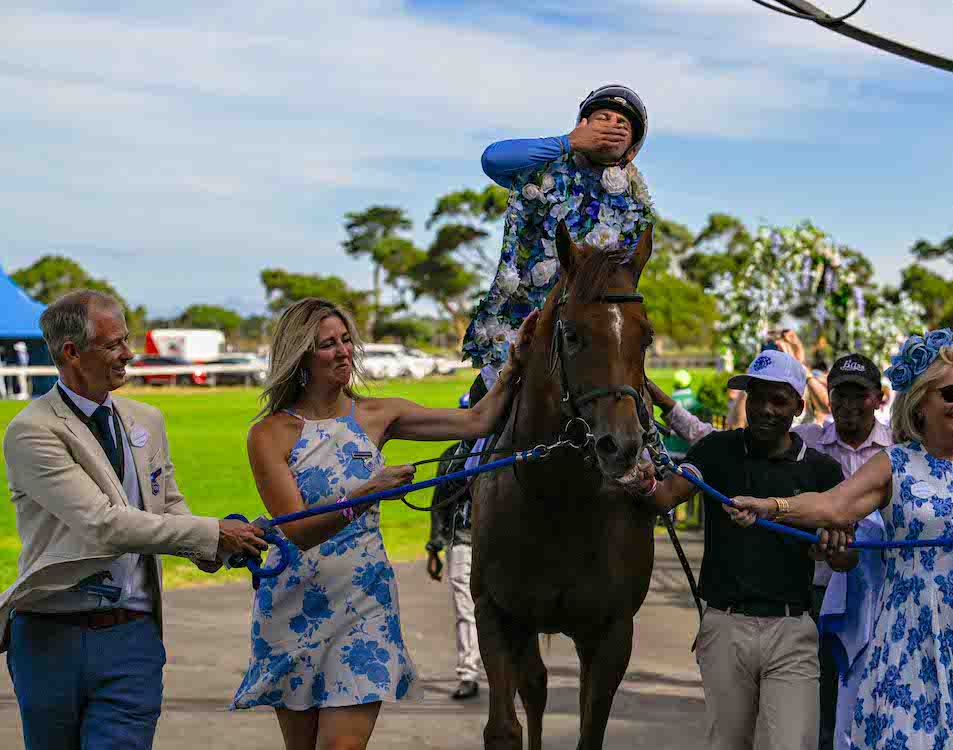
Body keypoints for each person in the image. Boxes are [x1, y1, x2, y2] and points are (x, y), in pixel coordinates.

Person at [230, 298, 536, 750]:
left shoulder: (378, 414)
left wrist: (513, 366)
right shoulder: (269, 434)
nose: (343, 351)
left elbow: (477, 421)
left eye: (346, 340)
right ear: (300, 356)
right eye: (327, 345)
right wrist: (367, 493)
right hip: (294, 606)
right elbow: (298, 530)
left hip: (363, 601)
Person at [729, 333, 953, 748]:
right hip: (912, 634)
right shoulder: (894, 464)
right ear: (920, 402)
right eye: (949, 392)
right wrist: (771, 506)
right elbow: (832, 507)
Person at [1, 290, 268, 750]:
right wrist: (209, 532)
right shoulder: (31, 431)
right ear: (71, 353)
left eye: (126, 340)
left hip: (133, 640)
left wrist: (215, 548)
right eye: (113, 345)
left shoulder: (148, 418)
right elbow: (104, 523)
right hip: (50, 640)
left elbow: (166, 504)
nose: (128, 354)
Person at [642, 348, 846, 749]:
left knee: (793, 743)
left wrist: (833, 547)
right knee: (728, 743)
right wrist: (641, 480)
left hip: (793, 629)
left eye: (779, 400)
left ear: (799, 407)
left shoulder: (822, 470)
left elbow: (847, 557)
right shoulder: (716, 450)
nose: (766, 409)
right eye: (757, 398)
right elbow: (665, 498)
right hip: (725, 625)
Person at [462, 84, 653, 370]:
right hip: (520, 326)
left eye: (623, 123)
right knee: (491, 410)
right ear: (582, 126)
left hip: (589, 336)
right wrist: (568, 142)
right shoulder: (544, 168)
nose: (612, 124)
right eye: (603, 117)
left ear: (632, 151)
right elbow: (492, 159)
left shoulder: (635, 204)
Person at [792, 353, 891, 750]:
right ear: (827, 397)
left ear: (879, 398)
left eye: (859, 395)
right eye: (840, 395)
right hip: (817, 590)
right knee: (820, 698)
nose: (849, 404)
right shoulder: (806, 443)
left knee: (872, 694)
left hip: (879, 595)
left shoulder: (898, 446)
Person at [425, 381, 490, 701]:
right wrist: (434, 548)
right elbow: (440, 504)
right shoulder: (451, 457)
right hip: (461, 540)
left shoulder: (501, 451)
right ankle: (468, 673)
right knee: (467, 610)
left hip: (497, 543)